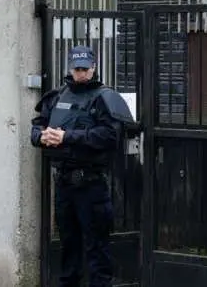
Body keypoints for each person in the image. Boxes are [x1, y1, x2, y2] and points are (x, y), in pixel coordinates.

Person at [30, 45, 139, 287]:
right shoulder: (58, 96)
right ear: (70, 68)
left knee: (97, 250)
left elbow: (110, 136)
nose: (81, 74)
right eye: (77, 69)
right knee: (68, 247)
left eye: (85, 69)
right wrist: (41, 136)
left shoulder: (104, 97)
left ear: (94, 68)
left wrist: (67, 137)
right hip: (65, 183)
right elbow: (36, 126)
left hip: (91, 184)